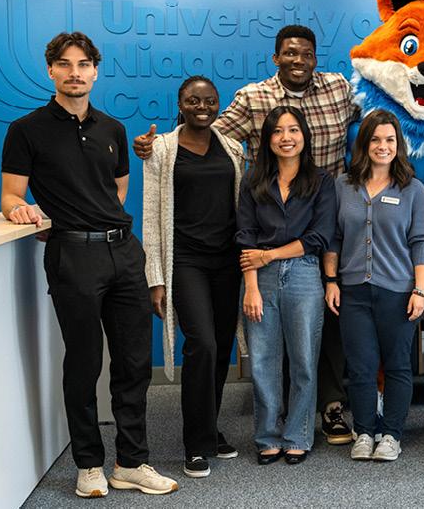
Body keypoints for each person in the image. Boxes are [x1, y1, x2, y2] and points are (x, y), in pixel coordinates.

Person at [134, 25, 356, 445]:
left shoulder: (339, 88)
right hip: (259, 236)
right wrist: (155, 146)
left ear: (315, 57)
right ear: (276, 58)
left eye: (306, 54)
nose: (298, 60)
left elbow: (376, 119)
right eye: (289, 53)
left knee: (320, 334)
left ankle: (326, 410)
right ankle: (253, 429)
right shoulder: (253, 100)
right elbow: (206, 130)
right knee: (254, 348)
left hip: (323, 222)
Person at [0, 31, 178, 497]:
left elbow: (118, 190)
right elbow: (11, 195)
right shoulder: (26, 129)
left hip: (124, 253)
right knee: (83, 362)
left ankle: (131, 463)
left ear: (95, 71)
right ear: (51, 71)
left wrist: (100, 220)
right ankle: (88, 465)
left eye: (83, 64)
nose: (74, 72)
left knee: (134, 362)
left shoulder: (112, 129)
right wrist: (21, 211)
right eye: (64, 64)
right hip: (72, 255)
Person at [142, 76, 247, 478]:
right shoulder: (161, 149)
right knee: (201, 344)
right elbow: (152, 216)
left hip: (226, 261)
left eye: (209, 101)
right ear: (180, 104)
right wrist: (155, 277)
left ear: (218, 104)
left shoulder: (232, 148)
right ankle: (196, 443)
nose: (202, 107)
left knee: (221, 347)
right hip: (185, 261)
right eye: (193, 101)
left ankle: (210, 427)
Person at [324, 110, 424, 463]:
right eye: (375, 139)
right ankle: (365, 431)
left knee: (398, 365)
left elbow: (421, 242)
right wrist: (331, 280)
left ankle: (391, 435)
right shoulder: (343, 186)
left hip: (399, 292)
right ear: (364, 144)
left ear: (398, 144)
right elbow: (334, 238)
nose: (382, 146)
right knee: (361, 367)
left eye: (389, 140)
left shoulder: (413, 189)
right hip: (353, 291)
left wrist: (420, 290)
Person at [236, 105, 336, 466]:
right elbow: (245, 235)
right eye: (278, 131)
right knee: (263, 361)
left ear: (304, 135)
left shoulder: (321, 181)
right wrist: (251, 286)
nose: (286, 138)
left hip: (304, 273)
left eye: (293, 130)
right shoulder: (253, 179)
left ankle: (298, 435)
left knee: (304, 360)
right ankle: (267, 436)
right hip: (259, 278)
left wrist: (270, 255)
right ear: (268, 139)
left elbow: (319, 236)